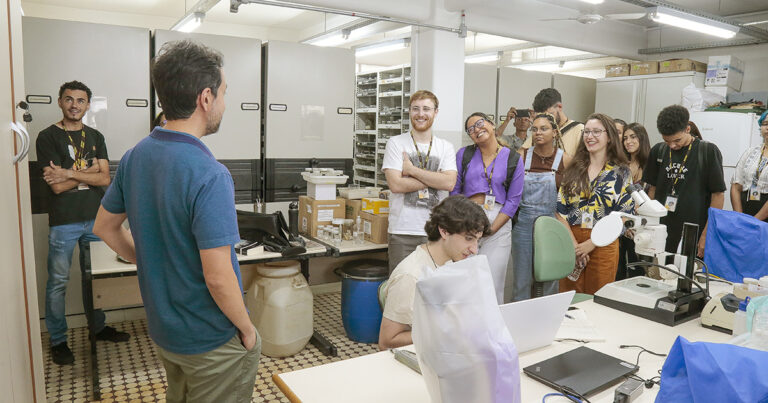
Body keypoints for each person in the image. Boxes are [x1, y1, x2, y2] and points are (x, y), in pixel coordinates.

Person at [94, 40, 260, 402]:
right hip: (210, 338)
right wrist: (247, 329)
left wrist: (149, 258)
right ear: (205, 98)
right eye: (224, 94)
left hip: (166, 332)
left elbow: (104, 227)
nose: (225, 104)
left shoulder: (136, 156)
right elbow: (218, 277)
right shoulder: (210, 173)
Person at [35, 80, 130, 366]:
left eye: (80, 100)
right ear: (60, 102)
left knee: (95, 277)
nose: (74, 105)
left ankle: (97, 327)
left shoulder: (96, 136)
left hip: (96, 218)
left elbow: (104, 179)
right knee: (58, 282)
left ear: (88, 104)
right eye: (69, 99)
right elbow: (56, 187)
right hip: (64, 220)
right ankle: (58, 340)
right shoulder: (46, 136)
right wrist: (85, 173)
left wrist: (68, 173)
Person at [378, 195, 490, 349]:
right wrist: (446, 330)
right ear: (444, 231)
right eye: (469, 238)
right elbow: (387, 341)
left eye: (477, 240)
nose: (474, 250)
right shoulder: (411, 276)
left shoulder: (453, 262)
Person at [556, 113, 635, 295]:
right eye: (587, 132)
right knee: (568, 297)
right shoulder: (574, 168)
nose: (590, 137)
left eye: (596, 132)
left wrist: (592, 243)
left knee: (598, 297)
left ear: (609, 137)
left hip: (604, 242)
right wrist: (575, 245)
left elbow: (624, 215)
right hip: (571, 239)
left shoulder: (621, 172)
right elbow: (559, 211)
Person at [382, 90, 458, 272]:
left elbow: (449, 184)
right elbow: (396, 185)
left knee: (435, 291)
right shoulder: (395, 143)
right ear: (409, 111)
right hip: (403, 232)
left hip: (437, 232)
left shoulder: (445, 147)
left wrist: (411, 171)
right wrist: (435, 177)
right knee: (402, 287)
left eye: (426, 109)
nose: (421, 114)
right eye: (415, 109)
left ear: (435, 112)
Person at [452, 112, 524, 304]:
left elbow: (513, 200)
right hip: (467, 221)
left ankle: (492, 331)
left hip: (498, 223)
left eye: (480, 123)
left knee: (492, 283)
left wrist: (491, 229)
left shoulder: (514, 159)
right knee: (466, 282)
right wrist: (465, 224)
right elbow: (455, 191)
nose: (476, 129)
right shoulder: (464, 154)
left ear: (492, 125)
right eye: (471, 129)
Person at [642, 105, 725, 257]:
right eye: (667, 141)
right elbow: (652, 190)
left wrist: (706, 235)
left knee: (685, 276)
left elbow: (718, 196)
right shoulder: (658, 151)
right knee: (657, 274)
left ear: (687, 129)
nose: (672, 146)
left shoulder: (707, 151)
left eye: (677, 140)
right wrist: (647, 225)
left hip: (693, 232)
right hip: (661, 230)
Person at [511, 113, 570, 301]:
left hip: (552, 223)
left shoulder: (565, 160)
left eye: (543, 128)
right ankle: (519, 323)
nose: (538, 133)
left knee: (550, 278)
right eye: (534, 129)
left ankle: (547, 321)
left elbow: (570, 198)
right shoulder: (522, 156)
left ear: (554, 132)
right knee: (522, 280)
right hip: (524, 225)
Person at [616, 123, 651, 280]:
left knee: (639, 267)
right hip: (621, 221)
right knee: (618, 266)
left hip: (643, 223)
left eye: (633, 137)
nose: (628, 141)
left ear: (642, 139)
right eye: (625, 138)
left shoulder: (650, 165)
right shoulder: (620, 165)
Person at [522, 88, 584, 157]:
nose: (545, 121)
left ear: (559, 107)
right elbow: (521, 154)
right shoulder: (539, 132)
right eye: (541, 117)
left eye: (549, 115)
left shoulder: (580, 130)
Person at [731, 111, 768, 223]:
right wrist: (740, 218)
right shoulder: (751, 152)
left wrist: (754, 222)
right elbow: (736, 186)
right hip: (744, 213)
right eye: (765, 124)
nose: (767, 128)